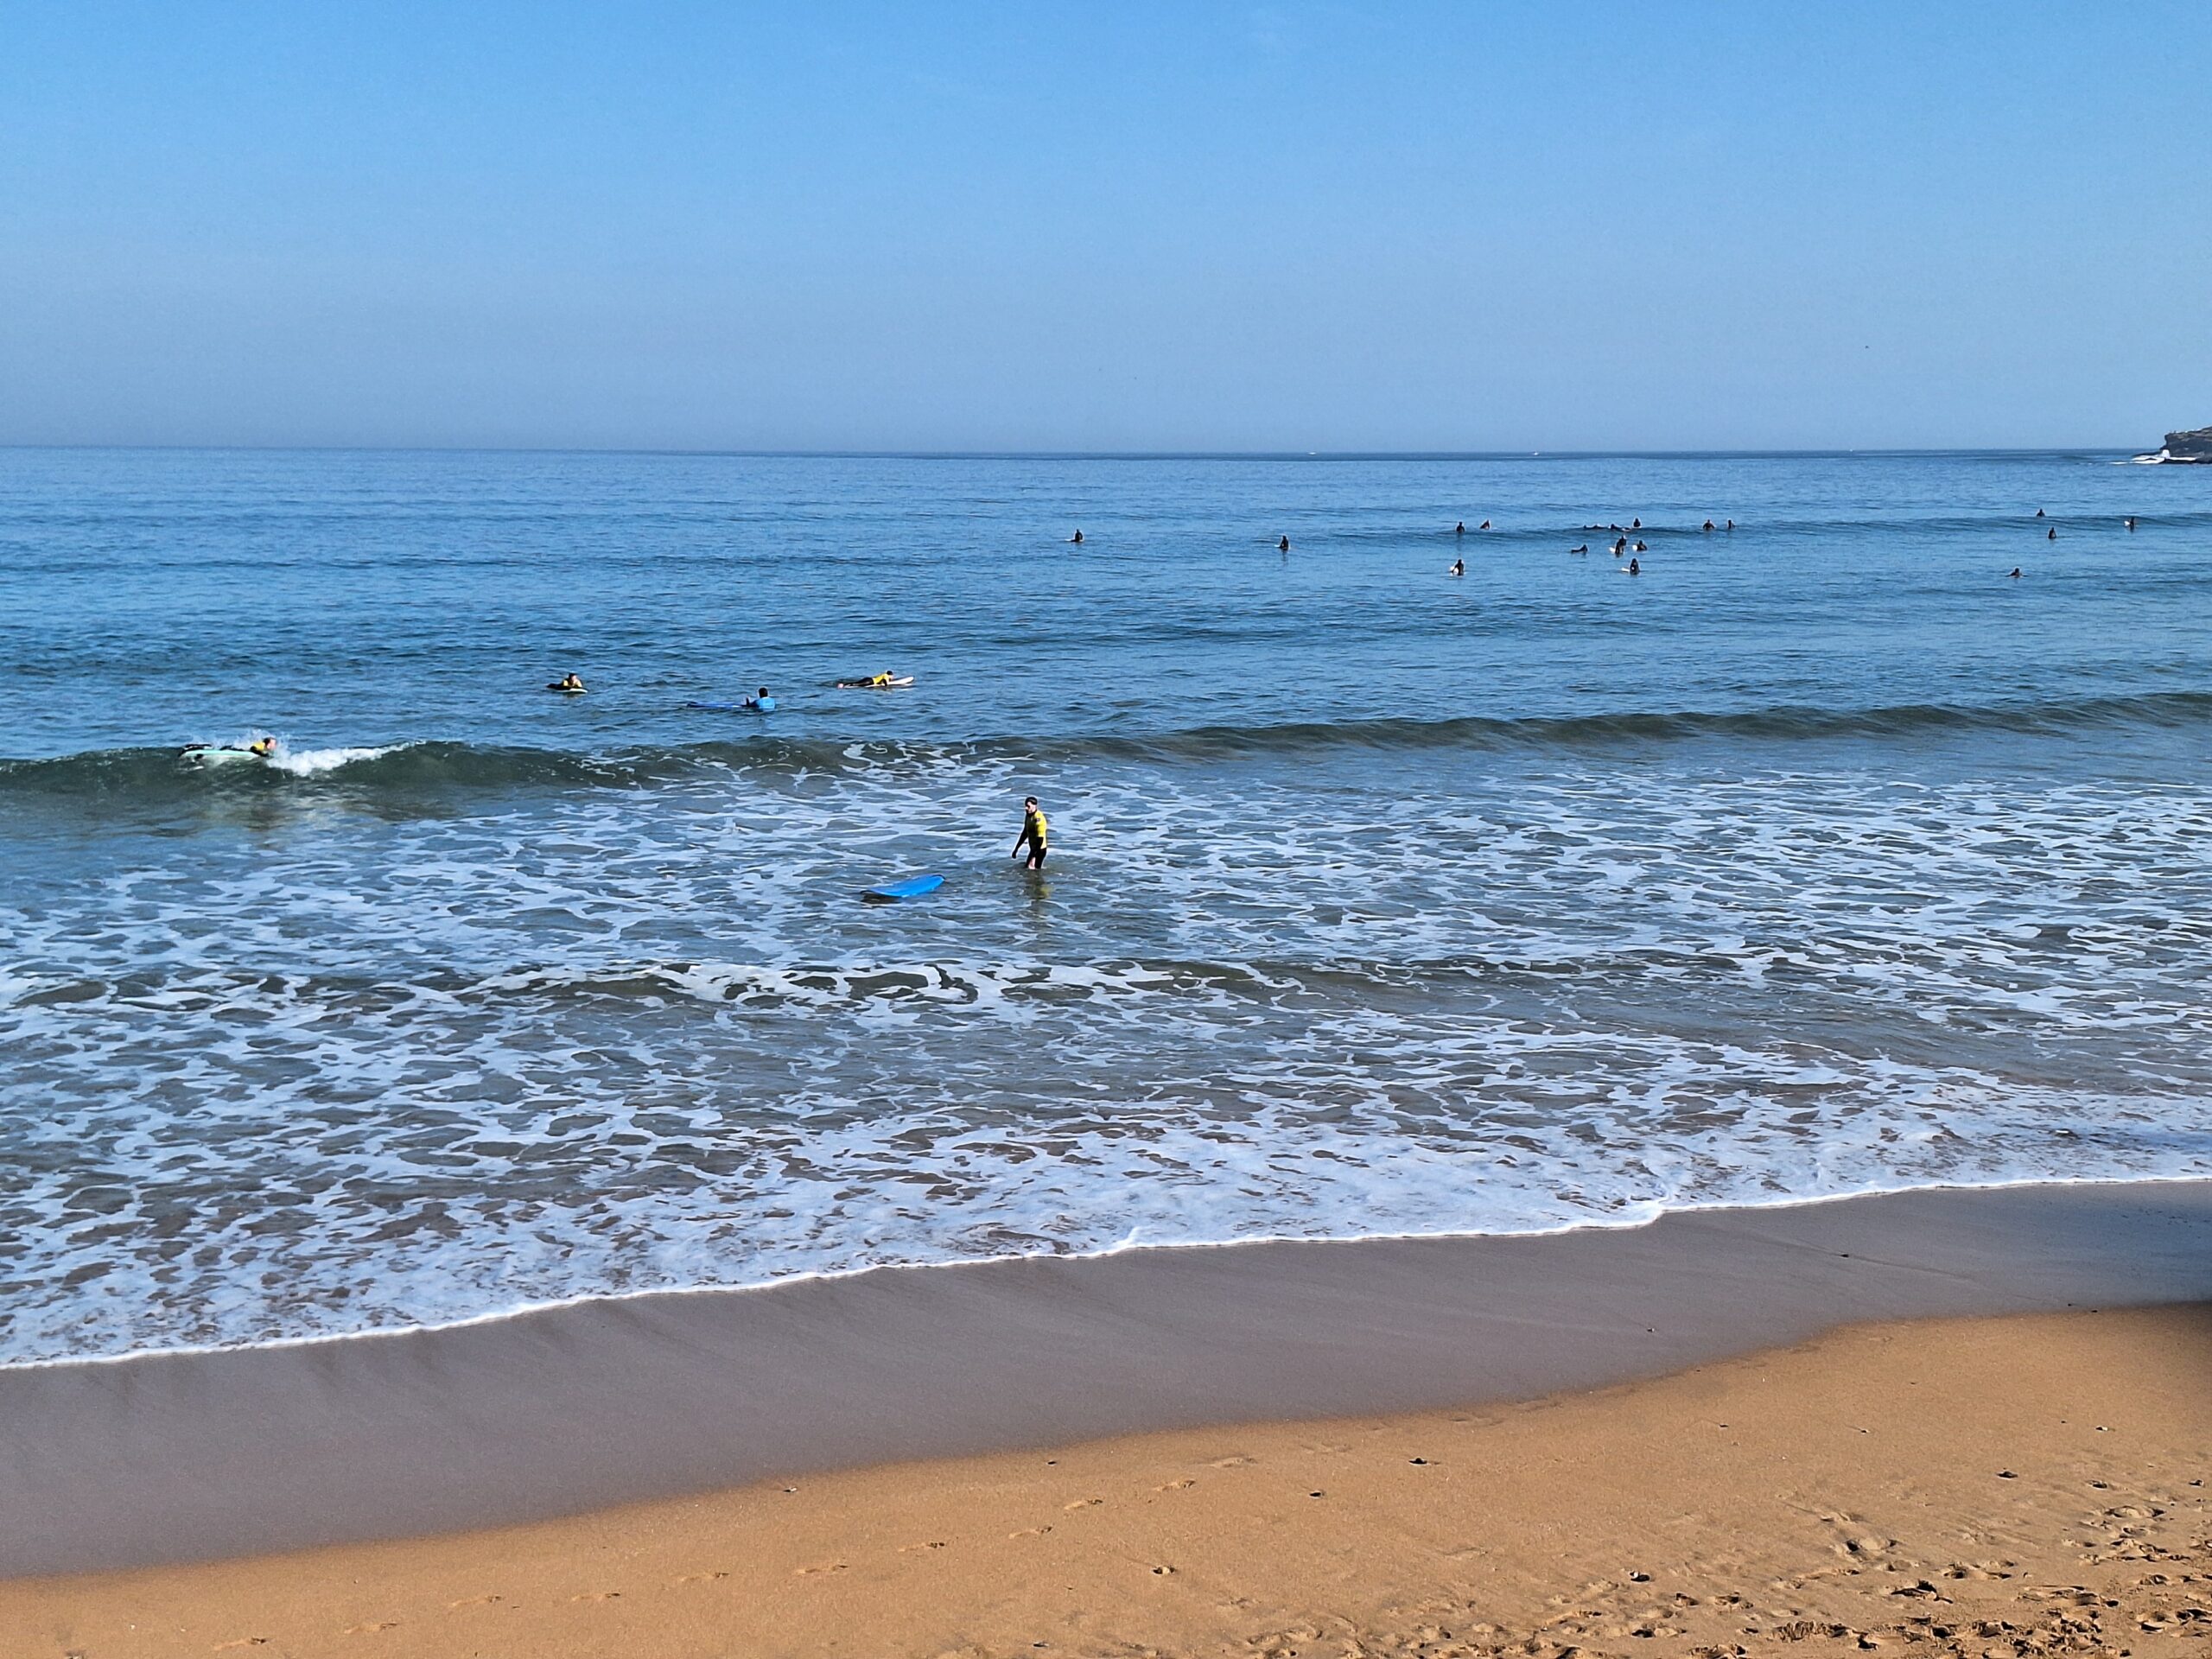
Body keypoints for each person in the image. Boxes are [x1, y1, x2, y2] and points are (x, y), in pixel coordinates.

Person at [1014, 796, 1048, 870]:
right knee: (1027, 868)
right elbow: (1025, 833)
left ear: (1035, 806)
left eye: (1028, 806)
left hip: (1040, 849)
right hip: (1033, 849)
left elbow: (1040, 839)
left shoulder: (1039, 819)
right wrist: (1016, 849)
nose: (1026, 808)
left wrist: (1033, 856)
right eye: (1025, 806)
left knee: (1033, 870)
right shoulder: (1028, 816)